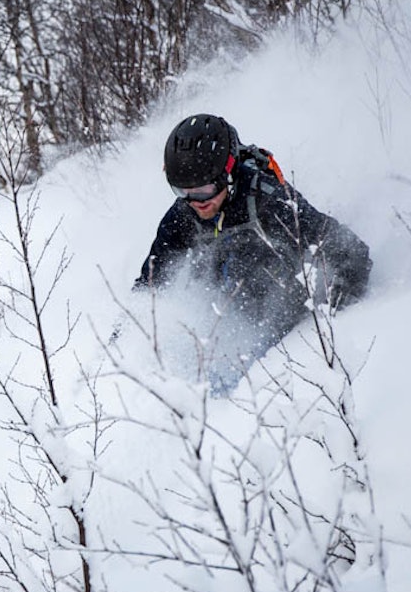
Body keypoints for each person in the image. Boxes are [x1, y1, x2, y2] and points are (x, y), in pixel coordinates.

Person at [135, 113, 372, 393]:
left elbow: (350, 253)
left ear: (228, 173)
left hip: (283, 315)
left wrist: (327, 317)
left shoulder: (268, 199)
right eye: (182, 191)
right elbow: (151, 283)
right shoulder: (183, 214)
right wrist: (128, 344)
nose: (195, 201)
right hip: (225, 309)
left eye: (204, 190)